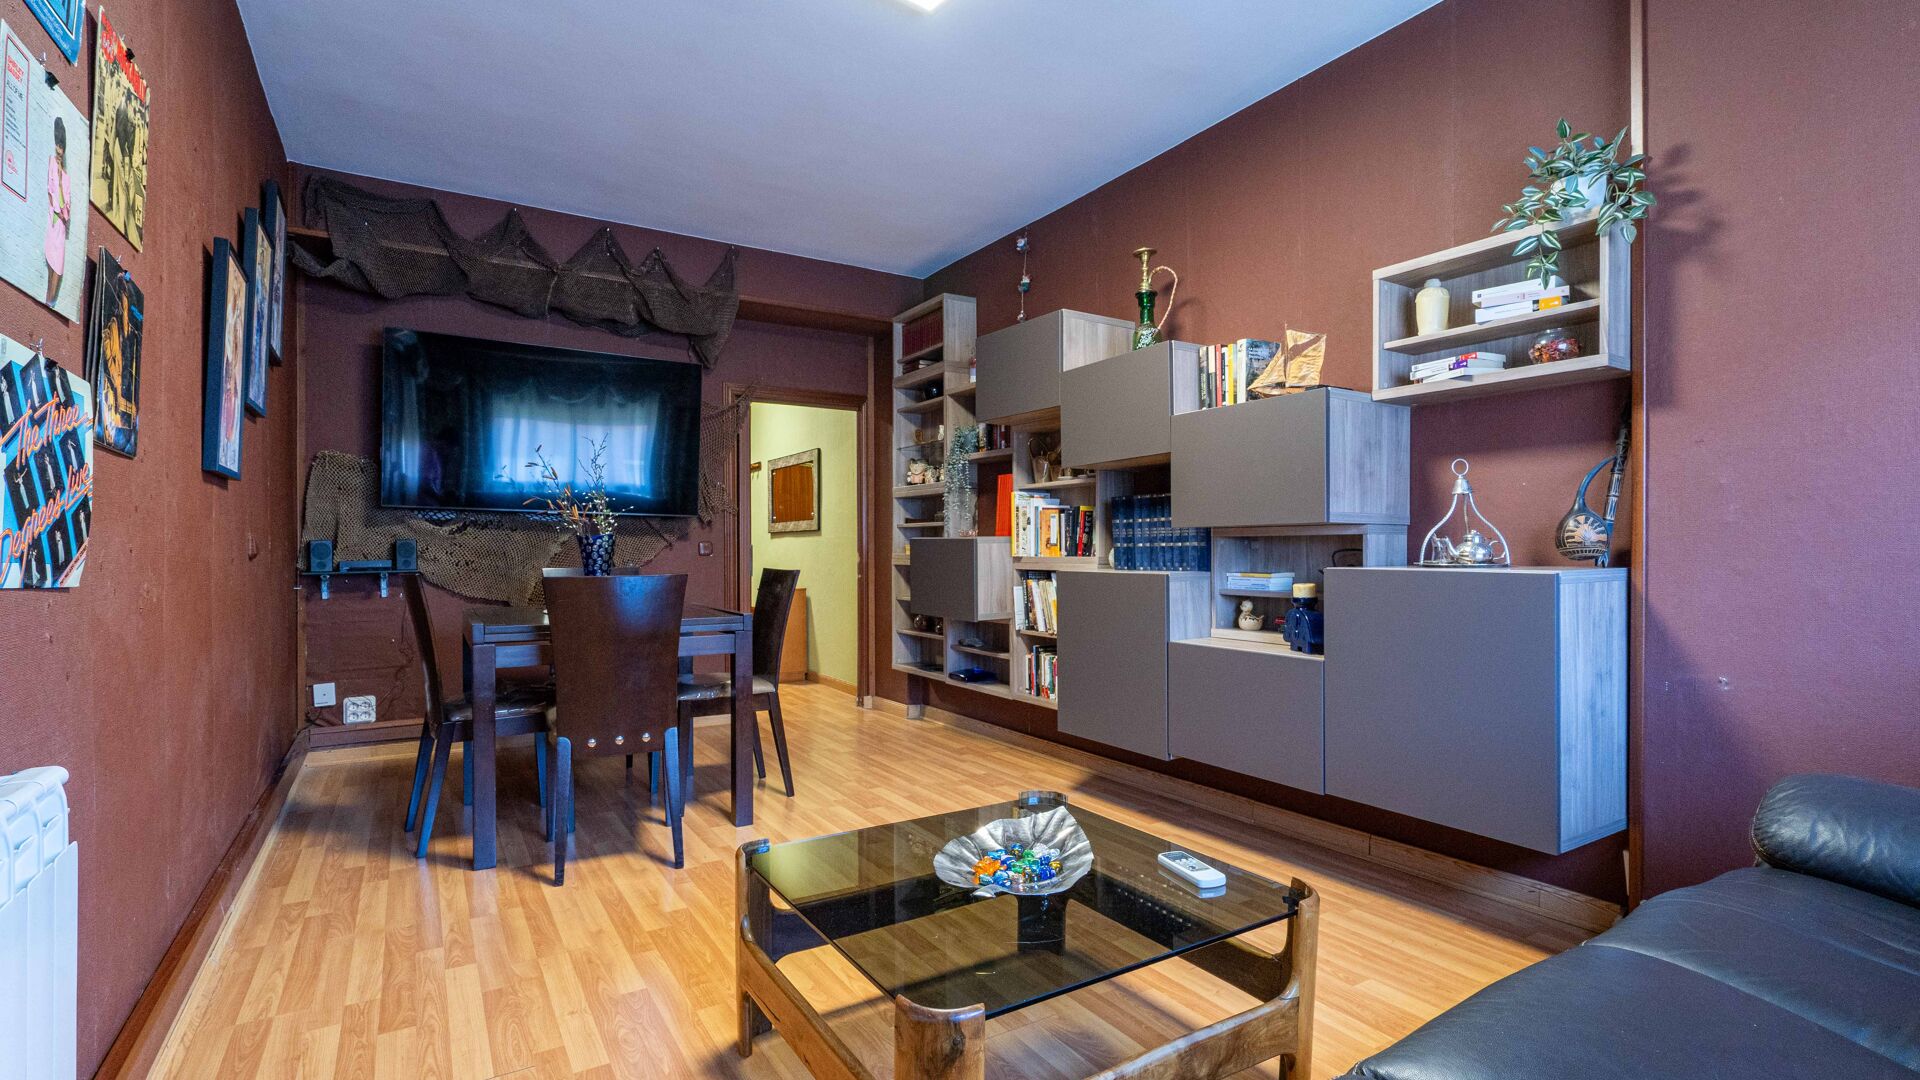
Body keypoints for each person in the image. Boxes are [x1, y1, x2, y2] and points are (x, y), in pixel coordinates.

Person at [43, 117, 73, 306]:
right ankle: (48, 299)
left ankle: (51, 301)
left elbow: (67, 203)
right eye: (57, 146)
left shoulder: (66, 177)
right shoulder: (51, 164)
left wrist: (61, 183)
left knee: (59, 266)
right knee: (51, 263)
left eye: (61, 147)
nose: (59, 150)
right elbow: (49, 191)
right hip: (54, 220)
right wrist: (57, 210)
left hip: (61, 224)